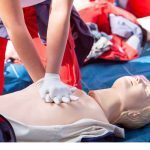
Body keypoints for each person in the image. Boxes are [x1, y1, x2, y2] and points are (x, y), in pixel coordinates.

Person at [0, 75, 150, 142]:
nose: (142, 80)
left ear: (135, 115)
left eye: (148, 90)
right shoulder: (66, 88)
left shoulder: (97, 130)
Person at [0, 0, 93, 104]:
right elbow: (14, 25)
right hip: (8, 12)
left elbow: (60, 11)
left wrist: (52, 76)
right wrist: (41, 83)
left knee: (67, 88)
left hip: (42, 6)